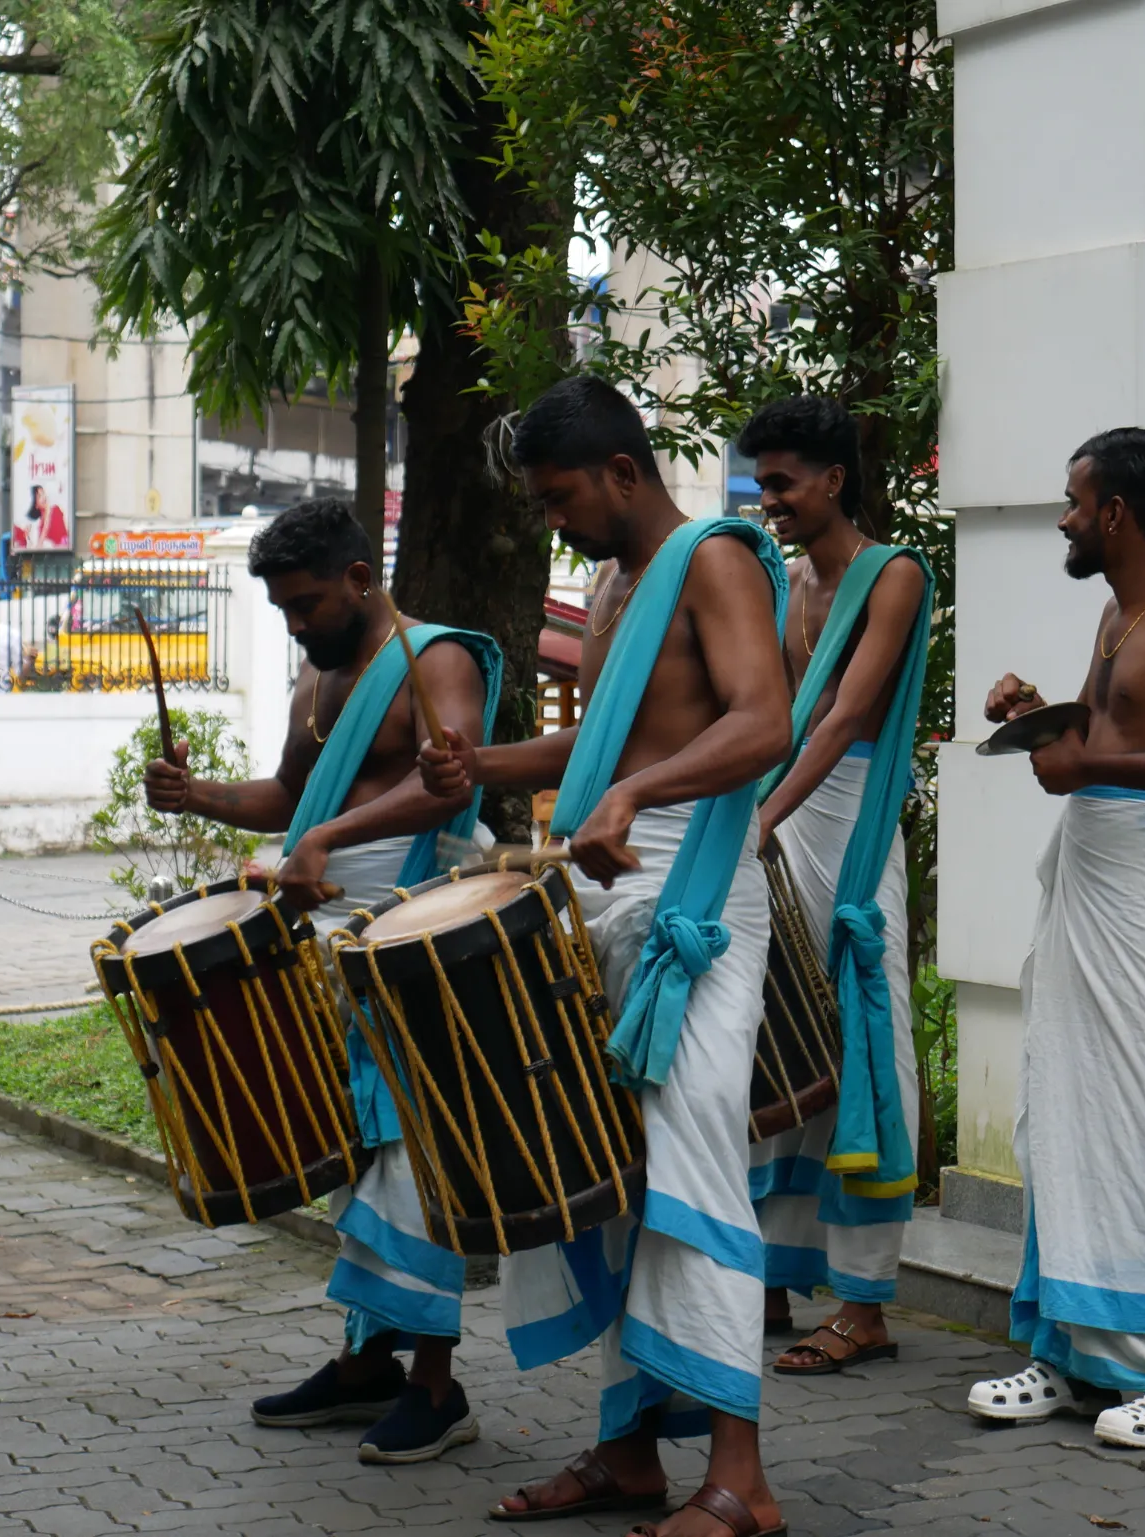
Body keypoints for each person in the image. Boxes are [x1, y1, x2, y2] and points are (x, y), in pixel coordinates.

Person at [418, 375, 793, 1537]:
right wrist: (481, 768)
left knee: (691, 1172)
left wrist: (631, 794)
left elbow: (762, 720)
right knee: (616, 1178)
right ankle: (630, 1452)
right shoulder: (612, 585)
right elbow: (607, 741)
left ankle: (741, 1480)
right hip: (606, 887)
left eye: (559, 498)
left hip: (693, 899)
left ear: (622, 472)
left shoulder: (715, 560)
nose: (552, 520)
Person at [142, 497, 501, 1465]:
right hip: (326, 940)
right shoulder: (318, 670)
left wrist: (325, 837)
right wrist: (198, 795)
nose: (296, 624)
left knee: (414, 1157)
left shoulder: (437, 659)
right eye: (283, 610)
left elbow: (450, 781)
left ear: (358, 578)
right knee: (355, 1153)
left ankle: (436, 1385)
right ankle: (365, 1361)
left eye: (306, 604)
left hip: (415, 933)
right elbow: (293, 799)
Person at [970, 427, 1145, 1449]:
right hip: (1094, 891)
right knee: (1076, 1113)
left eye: (1073, 501)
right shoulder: (1113, 613)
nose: (1063, 518)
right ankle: (1080, 1353)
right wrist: (1037, 716)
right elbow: (1116, 733)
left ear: (1116, 513)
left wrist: (1088, 766)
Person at [739, 397, 931, 1377]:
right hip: (779, 820)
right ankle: (771, 1274)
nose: (767, 499)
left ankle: (863, 1305)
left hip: (848, 824)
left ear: (833, 479)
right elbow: (767, 714)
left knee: (862, 1043)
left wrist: (763, 816)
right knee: (774, 1036)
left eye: (781, 482)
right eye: (761, 482)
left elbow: (845, 714)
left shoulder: (892, 574)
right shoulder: (780, 582)